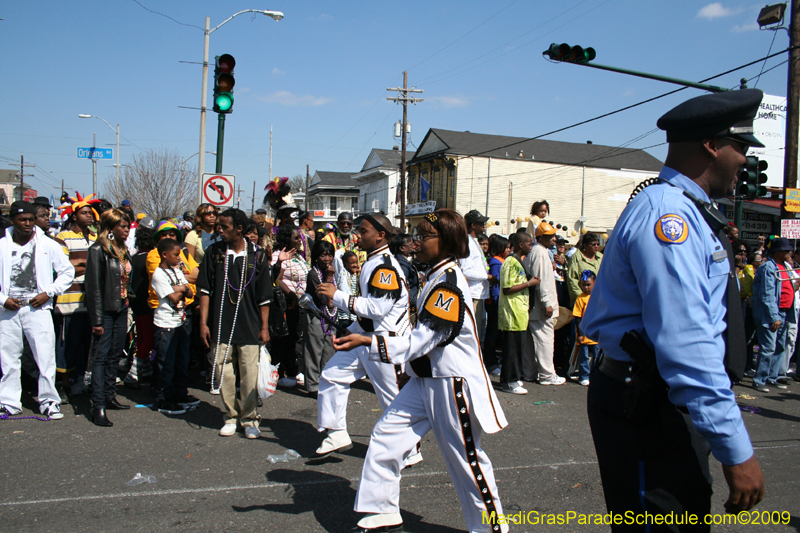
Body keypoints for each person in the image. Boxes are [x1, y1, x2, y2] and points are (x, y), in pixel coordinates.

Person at [582, 89, 766, 525]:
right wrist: (736, 449)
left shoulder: (686, 210)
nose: (745, 160)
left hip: (655, 398)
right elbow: (688, 344)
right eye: (740, 147)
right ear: (710, 145)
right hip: (647, 403)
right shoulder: (671, 219)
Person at [333, 209, 509, 533]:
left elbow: (420, 342)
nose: (416, 242)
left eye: (424, 235)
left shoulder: (449, 286)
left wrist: (369, 341)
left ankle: (491, 529)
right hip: (424, 379)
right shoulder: (435, 275)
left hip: (450, 383)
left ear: (446, 241)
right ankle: (381, 514)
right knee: (386, 434)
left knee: (466, 461)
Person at [314, 213, 413, 458]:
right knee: (333, 375)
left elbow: (378, 309)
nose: (358, 234)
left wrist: (337, 296)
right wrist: (354, 330)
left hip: (386, 341)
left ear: (381, 236)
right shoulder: (371, 261)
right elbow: (370, 311)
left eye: (364, 230)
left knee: (392, 400)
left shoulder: (385, 267)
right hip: (365, 337)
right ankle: (336, 432)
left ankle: (410, 451)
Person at [198, 208, 273, 439]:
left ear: (239, 229)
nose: (219, 230)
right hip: (220, 324)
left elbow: (264, 296)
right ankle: (231, 416)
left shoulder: (257, 255)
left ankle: (250, 419)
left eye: (224, 227)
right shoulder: (214, 253)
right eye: (219, 226)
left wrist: (264, 326)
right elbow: (204, 291)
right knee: (223, 372)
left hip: (249, 324)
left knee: (249, 374)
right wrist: (203, 323)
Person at [0, 202, 74, 419]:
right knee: (9, 357)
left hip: (38, 309)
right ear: (12, 220)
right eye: (22, 220)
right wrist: (3, 300)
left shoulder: (47, 244)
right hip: (8, 311)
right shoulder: (2, 245)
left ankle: (49, 402)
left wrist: (48, 292)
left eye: (31, 220)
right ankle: (9, 402)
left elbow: (67, 272)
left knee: (45, 356)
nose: (28, 224)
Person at [85, 209, 133, 426]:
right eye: (123, 226)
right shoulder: (97, 250)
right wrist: (96, 321)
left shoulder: (123, 250)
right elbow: (93, 287)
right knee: (100, 357)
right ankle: (98, 405)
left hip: (121, 307)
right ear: (111, 228)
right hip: (104, 311)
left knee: (115, 353)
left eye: (128, 226)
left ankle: (109, 395)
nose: (126, 230)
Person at [55, 192, 100, 397]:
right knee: (67, 345)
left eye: (90, 213)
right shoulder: (63, 238)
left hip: (90, 300)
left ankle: (80, 381)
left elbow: (98, 267)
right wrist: (86, 265)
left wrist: (81, 264)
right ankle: (63, 383)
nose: (89, 216)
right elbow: (63, 268)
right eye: (84, 213)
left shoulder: (94, 238)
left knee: (85, 344)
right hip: (69, 301)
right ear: (74, 216)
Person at [151, 238, 195, 415]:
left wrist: (181, 288)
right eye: (176, 255)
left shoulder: (177, 271)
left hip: (180, 322)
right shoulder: (159, 274)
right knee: (166, 363)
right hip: (165, 324)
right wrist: (181, 290)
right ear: (164, 254)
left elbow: (190, 291)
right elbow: (173, 298)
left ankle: (179, 394)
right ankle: (164, 398)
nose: (179, 258)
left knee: (181, 361)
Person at [751, 237, 796, 392]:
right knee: (768, 347)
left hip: (784, 312)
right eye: (786, 250)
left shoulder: (785, 266)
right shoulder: (768, 268)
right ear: (778, 252)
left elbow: (788, 289)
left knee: (781, 347)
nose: (789, 252)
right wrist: (774, 316)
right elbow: (767, 294)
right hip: (771, 314)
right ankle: (760, 379)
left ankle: (772, 377)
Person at [499, 232, 539, 394]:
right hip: (512, 313)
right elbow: (507, 288)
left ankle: (513, 378)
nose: (531, 246)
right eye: (529, 244)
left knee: (517, 347)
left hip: (520, 312)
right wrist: (529, 283)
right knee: (512, 349)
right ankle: (509, 381)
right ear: (521, 245)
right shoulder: (510, 262)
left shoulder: (518, 262)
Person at [524, 222, 564, 385]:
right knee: (544, 340)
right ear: (540, 237)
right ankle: (547, 374)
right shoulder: (540, 252)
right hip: (541, 306)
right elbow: (540, 280)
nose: (554, 239)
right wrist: (547, 302)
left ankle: (529, 373)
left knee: (530, 342)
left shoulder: (539, 251)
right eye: (550, 236)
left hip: (535, 305)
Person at [271, 225, 309, 388]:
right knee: (285, 339)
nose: (299, 241)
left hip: (300, 304)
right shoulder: (279, 256)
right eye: (295, 238)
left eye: (299, 238)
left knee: (295, 338)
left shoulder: (299, 257)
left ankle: (294, 369)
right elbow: (276, 278)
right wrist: (291, 295)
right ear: (287, 239)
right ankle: (281, 372)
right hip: (286, 304)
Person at [302, 240, 339, 397]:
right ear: (317, 257)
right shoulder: (313, 274)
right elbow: (323, 299)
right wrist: (329, 278)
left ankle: (326, 382)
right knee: (314, 351)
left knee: (329, 350)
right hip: (316, 317)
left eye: (330, 255)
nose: (327, 258)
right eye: (323, 255)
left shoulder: (333, 271)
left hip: (331, 317)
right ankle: (312, 386)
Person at [126, 217, 156, 389]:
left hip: (135, 304)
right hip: (146, 305)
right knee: (148, 339)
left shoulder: (134, 257)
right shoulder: (149, 259)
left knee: (142, 338)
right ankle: (133, 373)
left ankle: (146, 371)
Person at [460, 210, 490, 339]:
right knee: (473, 330)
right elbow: (465, 271)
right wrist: (487, 276)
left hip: (479, 293)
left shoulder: (474, 241)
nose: (484, 226)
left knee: (479, 327)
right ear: (473, 225)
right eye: (481, 223)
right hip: (472, 293)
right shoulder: (467, 242)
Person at [484, 235, 510, 374]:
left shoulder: (501, 261)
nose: (509, 250)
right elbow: (494, 284)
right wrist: (495, 301)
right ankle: (490, 362)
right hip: (495, 301)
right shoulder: (496, 263)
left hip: (497, 301)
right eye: (506, 247)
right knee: (492, 333)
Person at [572, 270, 598, 387]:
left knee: (597, 357)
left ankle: (595, 375)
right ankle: (584, 376)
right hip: (584, 335)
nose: (586, 287)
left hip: (596, 335)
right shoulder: (580, 299)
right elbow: (578, 318)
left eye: (588, 284)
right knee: (584, 358)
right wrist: (581, 334)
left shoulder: (598, 297)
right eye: (583, 285)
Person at [566, 232, 603, 304]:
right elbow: (572, 280)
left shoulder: (601, 257)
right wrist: (582, 298)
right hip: (582, 301)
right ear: (585, 245)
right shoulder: (576, 258)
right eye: (593, 244)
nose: (596, 246)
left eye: (598, 244)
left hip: (599, 299)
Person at [390, 233, 419, 314]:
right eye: (411, 244)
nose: (414, 246)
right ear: (402, 248)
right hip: (406, 306)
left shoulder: (403, 261)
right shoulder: (402, 266)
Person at [336, 250, 360, 329]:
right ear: (345, 264)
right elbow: (336, 257)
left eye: (356, 262)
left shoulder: (355, 276)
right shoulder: (342, 274)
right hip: (343, 316)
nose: (355, 265)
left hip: (353, 316)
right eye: (352, 263)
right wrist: (343, 251)